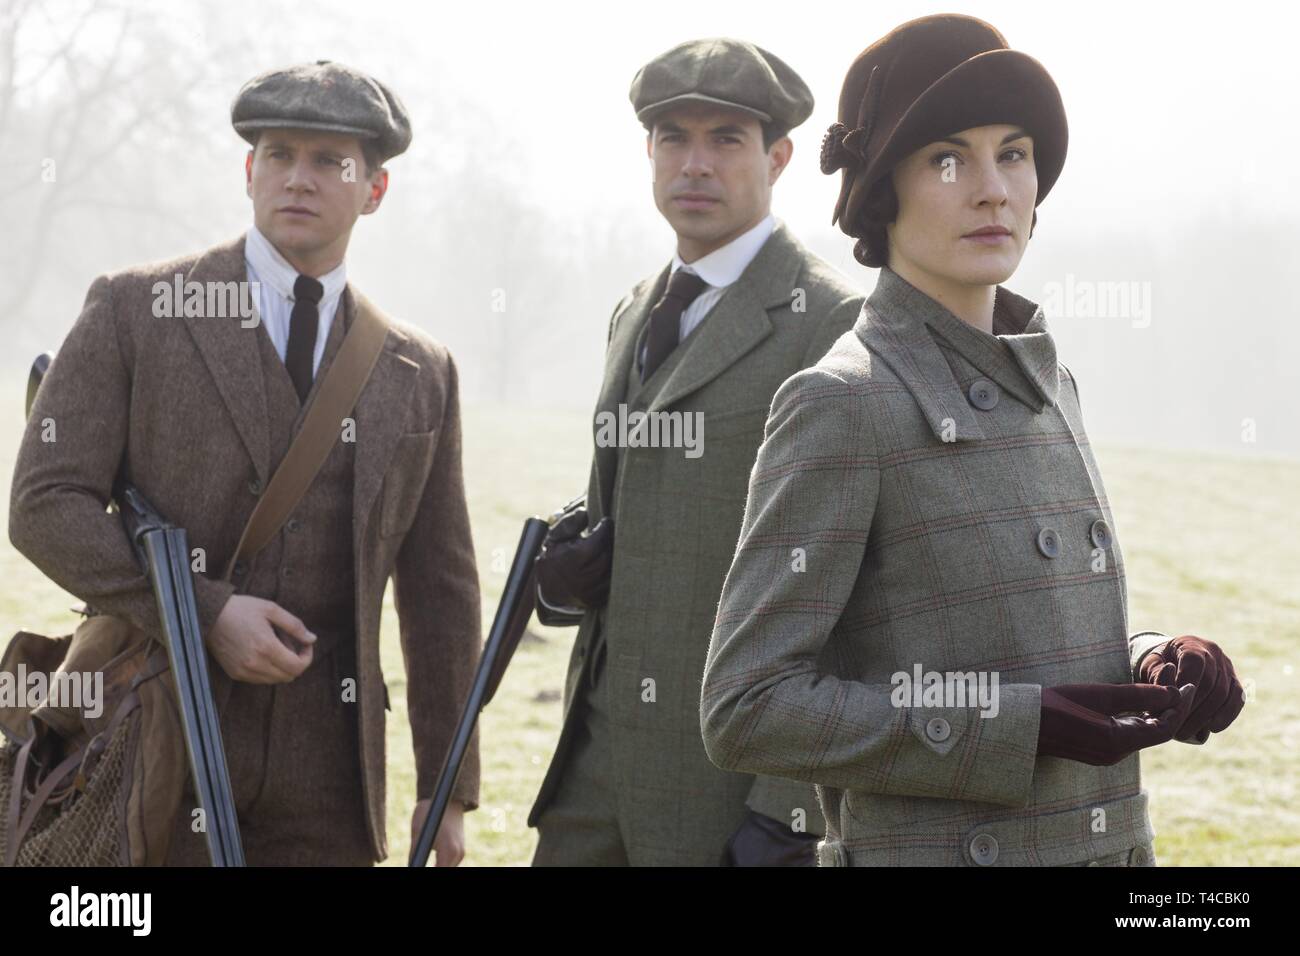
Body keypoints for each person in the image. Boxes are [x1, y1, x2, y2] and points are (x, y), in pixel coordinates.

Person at [701, 14, 1245, 867]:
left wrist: (1152, 661)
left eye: (1015, 153)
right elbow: (747, 706)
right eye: (950, 158)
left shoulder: (1050, 383)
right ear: (885, 192)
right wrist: (1014, 728)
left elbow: (1032, 633)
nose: (993, 189)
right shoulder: (842, 403)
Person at [9, 60, 481, 866]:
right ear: (248, 171)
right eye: (279, 154)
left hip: (329, 787)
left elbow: (440, 589)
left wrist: (446, 784)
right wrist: (202, 613)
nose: (299, 179)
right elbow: (45, 503)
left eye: (330, 161)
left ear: (374, 189)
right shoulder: (134, 309)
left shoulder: (419, 368)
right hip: (149, 743)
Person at [528, 38, 864, 866]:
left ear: (779, 157)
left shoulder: (834, 322)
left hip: (725, 786)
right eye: (673, 137)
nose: (696, 163)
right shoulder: (634, 311)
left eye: (726, 139)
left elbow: (853, 582)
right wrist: (562, 581)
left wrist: (790, 810)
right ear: (648, 152)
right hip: (590, 769)